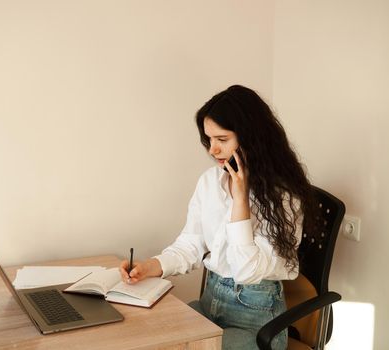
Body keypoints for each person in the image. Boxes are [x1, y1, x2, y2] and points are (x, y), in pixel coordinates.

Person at [119, 85, 315, 350]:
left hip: (257, 322)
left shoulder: (283, 196)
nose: (212, 150)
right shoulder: (210, 182)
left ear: (251, 139)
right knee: (153, 339)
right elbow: (190, 243)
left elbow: (246, 271)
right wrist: (150, 266)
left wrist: (241, 200)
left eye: (222, 140)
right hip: (210, 305)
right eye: (209, 139)